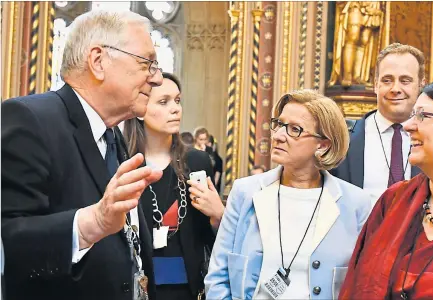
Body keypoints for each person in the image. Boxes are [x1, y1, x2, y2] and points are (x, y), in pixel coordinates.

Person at [1, 10, 163, 300]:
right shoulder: (29, 119)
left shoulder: (114, 138)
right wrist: (94, 223)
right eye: (147, 63)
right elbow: (10, 242)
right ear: (98, 61)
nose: (158, 78)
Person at [205, 90, 372, 300]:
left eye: (295, 129)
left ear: (323, 144)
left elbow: (363, 284)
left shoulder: (355, 203)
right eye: (279, 124)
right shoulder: (245, 193)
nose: (278, 136)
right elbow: (218, 277)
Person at [123, 72, 225, 300]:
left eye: (177, 101)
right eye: (163, 101)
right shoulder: (125, 164)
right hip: (136, 285)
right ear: (140, 109)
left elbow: (210, 238)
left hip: (187, 288)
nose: (175, 108)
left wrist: (219, 216)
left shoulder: (196, 162)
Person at [339, 80, 433, 299]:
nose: (408, 125)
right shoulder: (394, 200)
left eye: (422, 116)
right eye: (412, 115)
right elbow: (356, 284)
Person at [331, 43, 425, 206]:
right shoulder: (343, 140)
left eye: (405, 80)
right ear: (375, 85)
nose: (396, 88)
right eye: (387, 80)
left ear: (421, 84)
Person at [328, 1, 385, 87]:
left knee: (364, 40)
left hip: (373, 4)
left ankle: (356, 75)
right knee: (353, 36)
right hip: (355, 3)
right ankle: (347, 75)